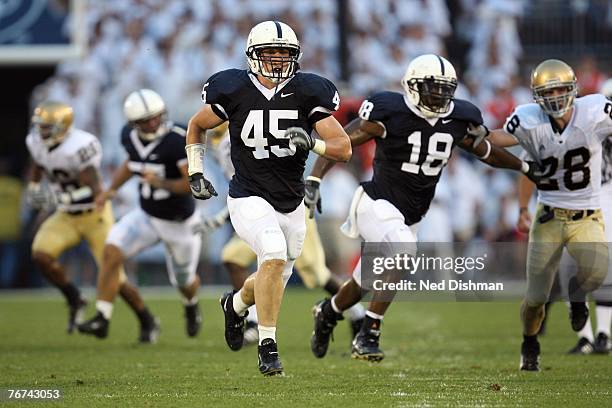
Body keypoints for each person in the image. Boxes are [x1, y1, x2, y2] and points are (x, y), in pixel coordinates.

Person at [306, 54, 541, 362]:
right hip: (376, 202)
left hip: (410, 214)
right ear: (413, 86)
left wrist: (524, 165)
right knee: (404, 250)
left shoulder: (458, 118)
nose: (439, 95)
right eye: (432, 87)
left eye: (445, 89)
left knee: (365, 282)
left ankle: (328, 312)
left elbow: (485, 151)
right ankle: (369, 332)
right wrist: (313, 177)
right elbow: (341, 141)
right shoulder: (389, 111)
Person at [185, 21, 352, 376]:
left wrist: (313, 143)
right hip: (247, 194)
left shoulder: (309, 91)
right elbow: (197, 125)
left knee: (274, 269)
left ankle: (234, 304)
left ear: (295, 57)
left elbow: (343, 147)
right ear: (252, 55)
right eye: (268, 53)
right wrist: (195, 170)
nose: (276, 61)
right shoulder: (231, 87)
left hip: (291, 202)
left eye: (284, 54)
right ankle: (268, 345)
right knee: (273, 253)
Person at [488, 60, 612, 370]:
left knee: (597, 273)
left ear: (573, 90)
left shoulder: (594, 111)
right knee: (535, 298)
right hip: (549, 216)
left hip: (586, 213)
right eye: (548, 91)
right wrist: (471, 135)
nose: (556, 96)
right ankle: (530, 343)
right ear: (536, 96)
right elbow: (498, 141)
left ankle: (577, 295)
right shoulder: (531, 123)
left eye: (560, 89)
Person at [197, 129, 365, 345]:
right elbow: (246, 189)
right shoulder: (230, 140)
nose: (211, 136)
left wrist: (221, 217)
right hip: (260, 213)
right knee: (233, 258)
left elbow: (258, 182)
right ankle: (254, 320)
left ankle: (356, 313)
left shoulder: (234, 139)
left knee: (316, 274)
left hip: (288, 209)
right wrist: (222, 216)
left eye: (215, 129)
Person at [78, 89, 201, 341]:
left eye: (156, 116)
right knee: (111, 250)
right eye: (146, 120)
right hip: (146, 215)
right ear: (133, 124)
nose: (154, 122)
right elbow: (131, 163)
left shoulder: (177, 139)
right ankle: (102, 316)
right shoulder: (129, 137)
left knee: (184, 281)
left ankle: (191, 305)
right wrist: (110, 190)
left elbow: (192, 184)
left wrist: (161, 183)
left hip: (180, 222)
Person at [25, 101, 150, 337]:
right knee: (41, 254)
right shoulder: (35, 141)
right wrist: (33, 186)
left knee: (115, 277)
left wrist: (56, 196)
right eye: (40, 126)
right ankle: (74, 297)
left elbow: (95, 189)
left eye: (47, 127)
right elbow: (39, 162)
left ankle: (146, 318)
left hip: (94, 214)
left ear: (62, 127)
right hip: (66, 214)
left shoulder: (80, 146)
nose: (42, 132)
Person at [517, 77, 612, 356]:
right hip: (560, 205)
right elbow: (527, 164)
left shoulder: (595, 121)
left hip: (597, 198)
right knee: (568, 270)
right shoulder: (566, 124)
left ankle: (602, 333)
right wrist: (523, 208)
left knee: (599, 270)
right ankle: (585, 335)